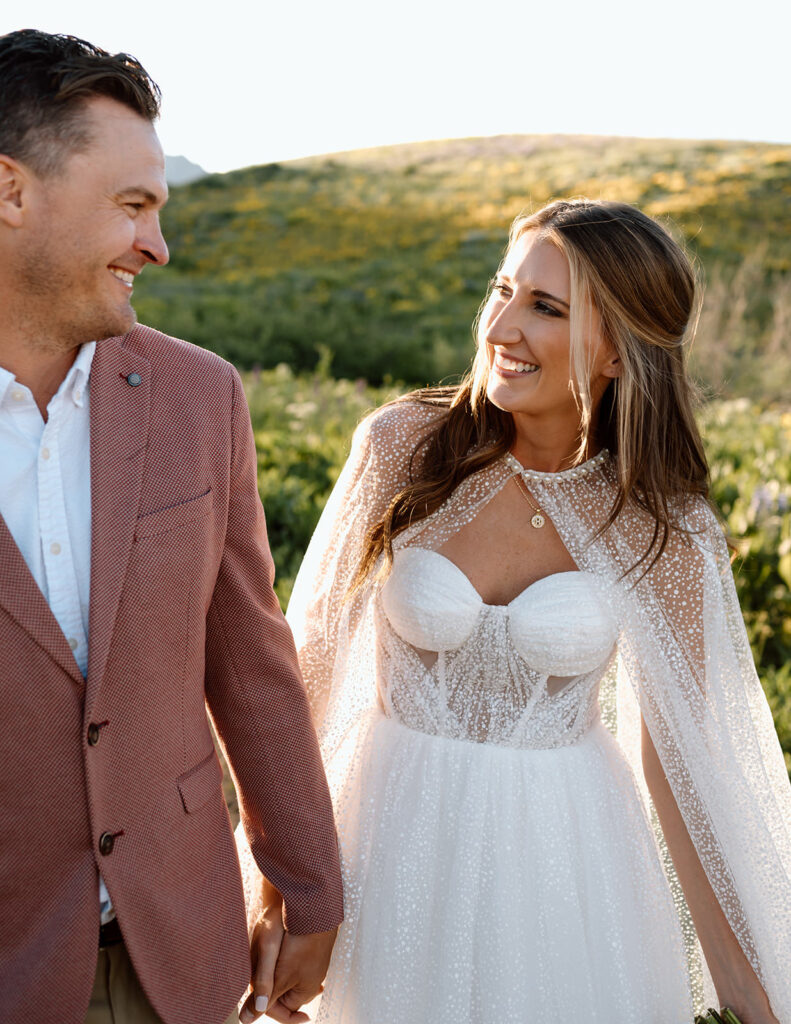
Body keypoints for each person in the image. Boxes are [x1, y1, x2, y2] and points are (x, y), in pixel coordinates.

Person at [240, 199, 791, 1023]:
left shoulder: (661, 524)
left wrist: (752, 997)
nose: (502, 324)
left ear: (618, 350)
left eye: (546, 307)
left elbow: (681, 770)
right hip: (385, 841)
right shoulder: (401, 448)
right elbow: (304, 679)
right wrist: (281, 895)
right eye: (503, 290)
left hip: (566, 873)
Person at [0, 29, 341, 1024]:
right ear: (11, 192)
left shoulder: (202, 394)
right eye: (133, 206)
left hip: (182, 955)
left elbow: (249, 659)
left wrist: (307, 882)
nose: (157, 244)